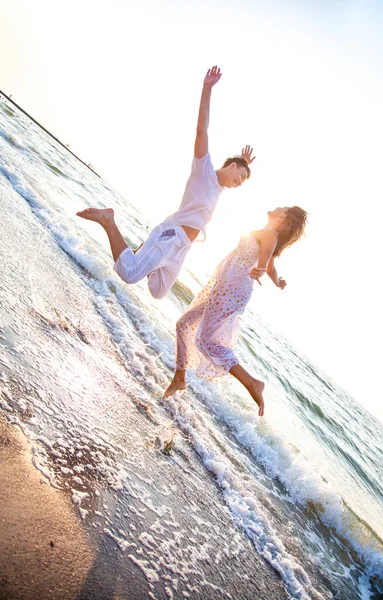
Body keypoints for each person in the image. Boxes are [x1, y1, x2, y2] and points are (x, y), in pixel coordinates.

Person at [76, 66, 255, 299]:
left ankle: (142, 250)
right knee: (129, 274)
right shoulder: (204, 170)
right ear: (231, 166)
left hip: (181, 248)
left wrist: (246, 163)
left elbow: (238, 171)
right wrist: (207, 89)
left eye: (242, 182)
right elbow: (202, 129)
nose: (239, 183)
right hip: (172, 235)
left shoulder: (219, 189)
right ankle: (108, 220)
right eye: (240, 177)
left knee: (158, 291)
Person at [163, 206, 308, 416]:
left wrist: (259, 269)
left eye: (282, 207)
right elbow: (271, 267)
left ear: (283, 215)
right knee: (184, 324)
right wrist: (278, 282)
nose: (277, 207)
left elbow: (264, 264)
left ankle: (252, 383)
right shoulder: (266, 233)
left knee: (206, 341)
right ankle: (179, 378)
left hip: (231, 289)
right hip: (222, 285)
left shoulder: (269, 234)